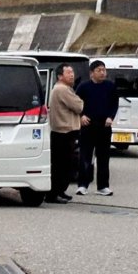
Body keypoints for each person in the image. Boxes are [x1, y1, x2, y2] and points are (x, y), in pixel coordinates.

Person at [75, 60, 118, 196]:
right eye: (99, 70)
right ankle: (82, 185)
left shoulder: (110, 86)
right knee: (85, 156)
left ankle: (103, 186)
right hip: (88, 126)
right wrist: (81, 116)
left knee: (103, 157)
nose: (102, 73)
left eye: (104, 70)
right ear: (91, 73)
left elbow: (114, 104)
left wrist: (111, 117)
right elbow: (76, 103)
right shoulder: (83, 87)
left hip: (104, 126)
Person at [47, 66, 83, 204]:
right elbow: (79, 106)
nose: (72, 75)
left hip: (64, 132)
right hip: (63, 132)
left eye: (72, 72)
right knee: (61, 165)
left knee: (64, 165)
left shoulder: (64, 89)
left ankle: (60, 191)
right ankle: (53, 193)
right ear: (59, 76)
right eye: (68, 73)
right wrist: (80, 101)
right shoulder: (62, 89)